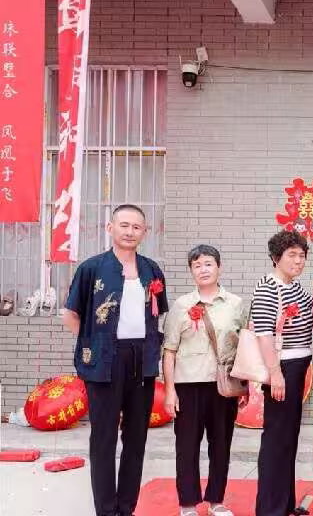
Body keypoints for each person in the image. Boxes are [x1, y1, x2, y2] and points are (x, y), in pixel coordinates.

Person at [62, 204, 168, 516]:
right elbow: (70, 314)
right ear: (110, 228)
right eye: (124, 225)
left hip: (141, 360)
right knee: (104, 438)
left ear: (145, 232)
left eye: (136, 227)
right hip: (104, 361)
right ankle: (106, 510)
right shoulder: (92, 268)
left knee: (136, 438)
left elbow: (158, 313)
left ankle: (126, 507)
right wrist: (94, 341)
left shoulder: (151, 270)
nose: (129, 232)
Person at [162, 245, 245, 516]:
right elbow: (169, 350)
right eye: (197, 265)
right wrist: (170, 391)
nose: (203, 270)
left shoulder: (235, 304)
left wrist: (245, 385)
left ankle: (216, 501)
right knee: (187, 447)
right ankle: (187, 504)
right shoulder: (181, 306)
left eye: (208, 264)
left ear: (219, 267)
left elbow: (244, 345)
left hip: (223, 385)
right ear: (191, 271)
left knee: (221, 445)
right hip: (188, 386)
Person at [253, 230, 313, 516]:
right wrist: (275, 373)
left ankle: (285, 504)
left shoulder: (296, 286)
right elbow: (264, 334)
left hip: (298, 366)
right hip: (283, 369)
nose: (298, 261)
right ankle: (270, 509)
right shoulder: (268, 287)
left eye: (302, 255)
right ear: (276, 257)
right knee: (276, 439)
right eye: (292, 255)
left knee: (289, 437)